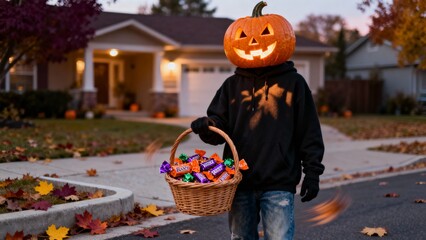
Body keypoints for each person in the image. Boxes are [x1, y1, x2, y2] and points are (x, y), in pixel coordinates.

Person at [191, 60, 325, 239]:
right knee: (241, 237)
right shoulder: (231, 85)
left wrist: (312, 172)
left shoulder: (295, 83)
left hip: (279, 181)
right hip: (239, 183)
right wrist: (208, 127)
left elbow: (308, 131)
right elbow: (219, 129)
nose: (254, 43)